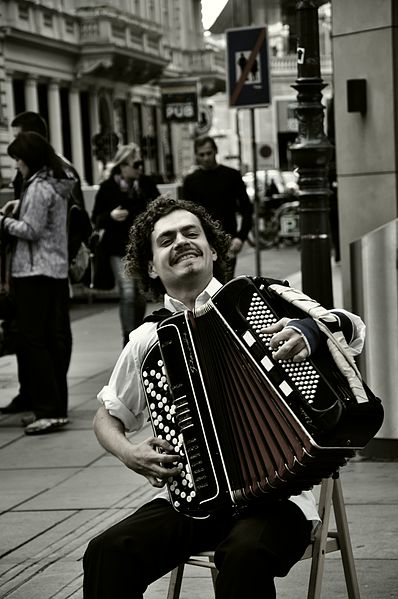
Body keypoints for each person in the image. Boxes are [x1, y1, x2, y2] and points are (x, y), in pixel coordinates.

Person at [83, 196, 365, 599]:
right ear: (150, 266)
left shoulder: (263, 300)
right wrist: (129, 452)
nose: (181, 241)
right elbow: (106, 417)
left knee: (244, 553)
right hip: (193, 503)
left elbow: (353, 328)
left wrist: (312, 332)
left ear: (213, 249)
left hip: (279, 500)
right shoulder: (148, 340)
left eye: (190, 233)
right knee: (107, 552)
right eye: (166, 239)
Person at [0, 110, 91, 415]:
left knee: (38, 339)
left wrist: (3, 222)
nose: (16, 164)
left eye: (18, 155)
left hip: (37, 268)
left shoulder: (41, 184)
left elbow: (32, 228)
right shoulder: (56, 177)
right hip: (52, 266)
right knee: (49, 337)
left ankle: (47, 406)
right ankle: (49, 403)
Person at [91, 143, 160, 346]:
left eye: (141, 164)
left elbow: (158, 207)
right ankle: (128, 339)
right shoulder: (108, 188)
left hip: (141, 248)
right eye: (135, 164)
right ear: (122, 166)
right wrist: (111, 216)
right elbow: (96, 217)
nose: (140, 168)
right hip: (117, 249)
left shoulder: (145, 185)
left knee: (139, 295)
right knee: (128, 293)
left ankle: (136, 335)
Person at [182, 135, 253, 280]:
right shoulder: (190, 181)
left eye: (209, 153)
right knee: (202, 286)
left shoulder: (231, 175)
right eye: (202, 155)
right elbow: (185, 215)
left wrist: (241, 237)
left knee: (224, 288)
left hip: (227, 240)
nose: (206, 158)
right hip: (200, 242)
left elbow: (247, 208)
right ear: (196, 156)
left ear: (216, 151)